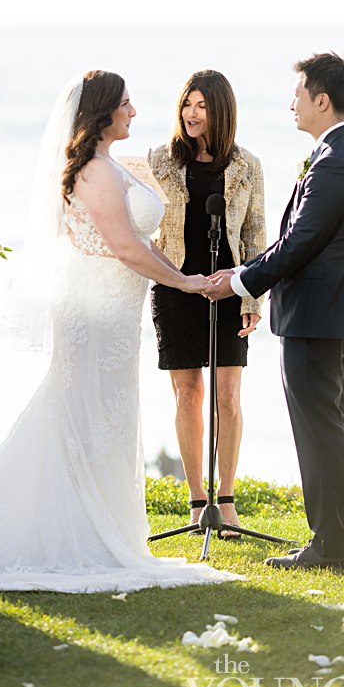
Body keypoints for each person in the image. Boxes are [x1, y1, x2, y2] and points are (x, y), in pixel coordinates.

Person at [0, 70, 240, 592]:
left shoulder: (110, 165)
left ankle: (108, 528)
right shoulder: (96, 173)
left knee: (106, 415)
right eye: (126, 103)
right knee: (83, 415)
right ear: (103, 112)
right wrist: (185, 284)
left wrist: (185, 272)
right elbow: (125, 248)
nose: (135, 111)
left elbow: (139, 239)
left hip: (116, 313)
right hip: (94, 310)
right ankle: (77, 531)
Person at [205, 52, 344, 569]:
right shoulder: (341, 153)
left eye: (298, 95)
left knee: (320, 427)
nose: (292, 104)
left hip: (319, 316)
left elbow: (299, 242)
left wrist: (238, 280)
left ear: (322, 100)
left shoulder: (337, 159)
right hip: (332, 313)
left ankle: (328, 544)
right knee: (336, 422)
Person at [148, 70, 266, 537]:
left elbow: (256, 236)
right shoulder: (160, 161)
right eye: (186, 104)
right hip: (177, 290)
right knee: (187, 393)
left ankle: (228, 500)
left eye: (202, 106)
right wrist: (177, 278)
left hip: (230, 289)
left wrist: (253, 295)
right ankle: (197, 501)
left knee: (229, 397)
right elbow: (145, 231)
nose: (192, 114)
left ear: (221, 111)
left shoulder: (247, 165)